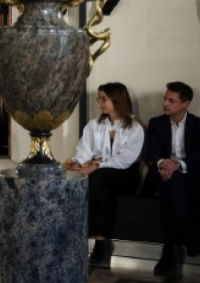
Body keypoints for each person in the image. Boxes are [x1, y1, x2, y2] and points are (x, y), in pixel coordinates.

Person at [64, 82, 144, 268]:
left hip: (126, 175)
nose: (100, 102)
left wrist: (96, 165)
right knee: (105, 190)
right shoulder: (94, 125)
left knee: (100, 176)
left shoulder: (135, 129)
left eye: (104, 98)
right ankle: (100, 245)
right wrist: (77, 162)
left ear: (117, 99)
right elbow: (85, 149)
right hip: (103, 177)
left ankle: (76, 226)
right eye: (99, 98)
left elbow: (124, 160)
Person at [145, 81, 200, 276]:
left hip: (193, 176)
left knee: (172, 186)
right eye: (165, 99)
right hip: (163, 174)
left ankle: (168, 252)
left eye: (171, 101)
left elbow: (198, 156)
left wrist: (178, 165)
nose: (165, 103)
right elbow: (152, 153)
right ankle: (189, 240)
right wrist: (164, 163)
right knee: (172, 184)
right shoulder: (156, 123)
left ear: (185, 104)